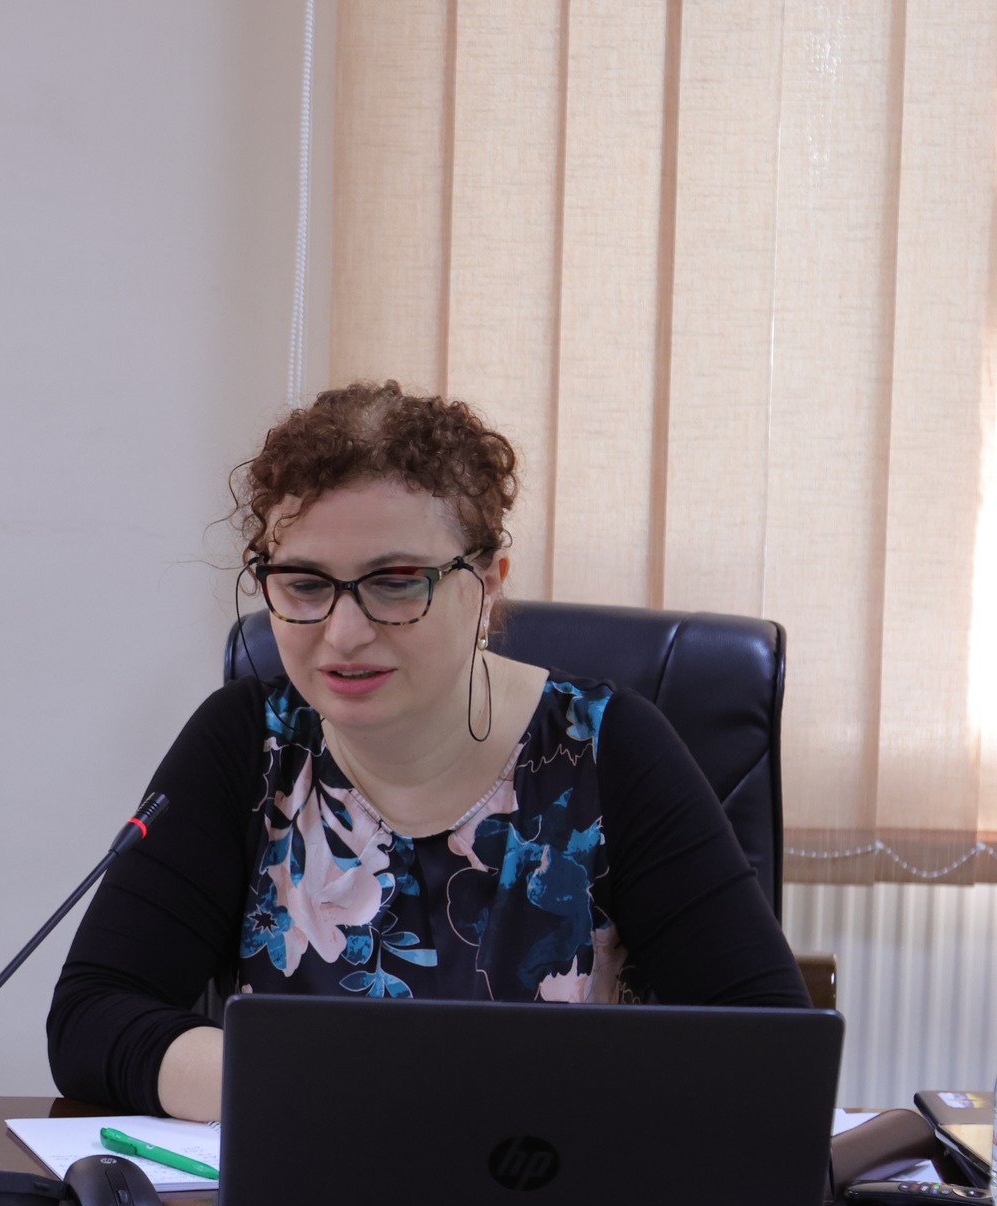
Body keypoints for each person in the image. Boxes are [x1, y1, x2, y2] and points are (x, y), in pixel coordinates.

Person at [47, 381, 807, 1120]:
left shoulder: (608, 748)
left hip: (547, 1191)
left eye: (396, 583)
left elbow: (772, 1048)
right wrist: (313, 1085)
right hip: (308, 1191)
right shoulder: (248, 744)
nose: (344, 634)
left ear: (487, 586)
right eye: (305, 584)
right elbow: (92, 1015)